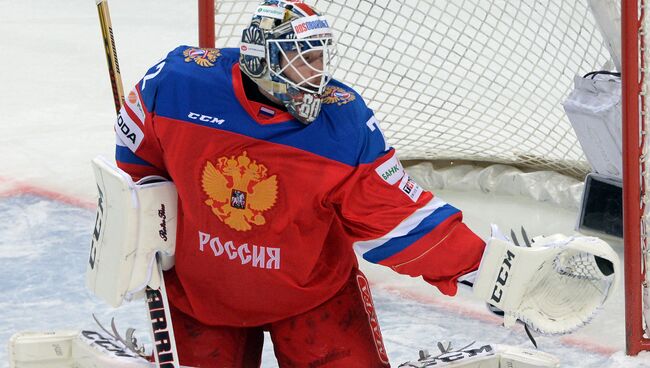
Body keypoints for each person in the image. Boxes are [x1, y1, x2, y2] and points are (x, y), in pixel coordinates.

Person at [113, 1, 488, 366]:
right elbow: (137, 158)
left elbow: (398, 219)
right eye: (304, 60)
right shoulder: (179, 83)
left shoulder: (342, 121)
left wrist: (487, 270)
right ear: (261, 58)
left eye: (321, 58)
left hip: (314, 299)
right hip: (202, 297)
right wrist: (140, 222)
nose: (318, 74)